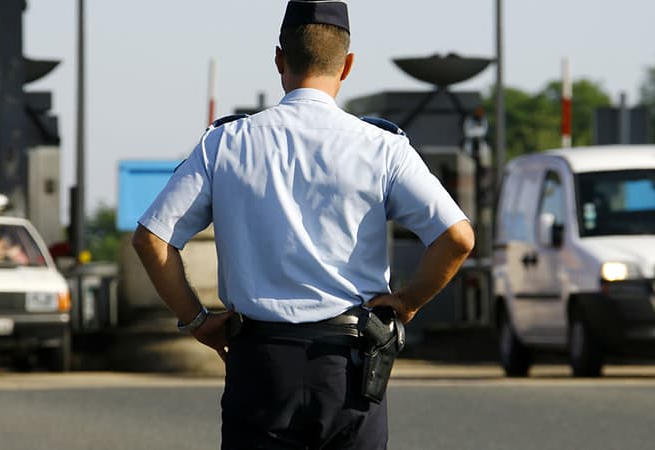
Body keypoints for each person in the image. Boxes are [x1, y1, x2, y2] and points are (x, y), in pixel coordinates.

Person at [133, 1, 474, 448]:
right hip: (352, 364)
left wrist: (196, 319)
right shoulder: (382, 148)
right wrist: (407, 301)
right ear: (348, 65)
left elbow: (152, 238)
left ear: (279, 59)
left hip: (260, 363)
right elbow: (457, 237)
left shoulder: (226, 143)